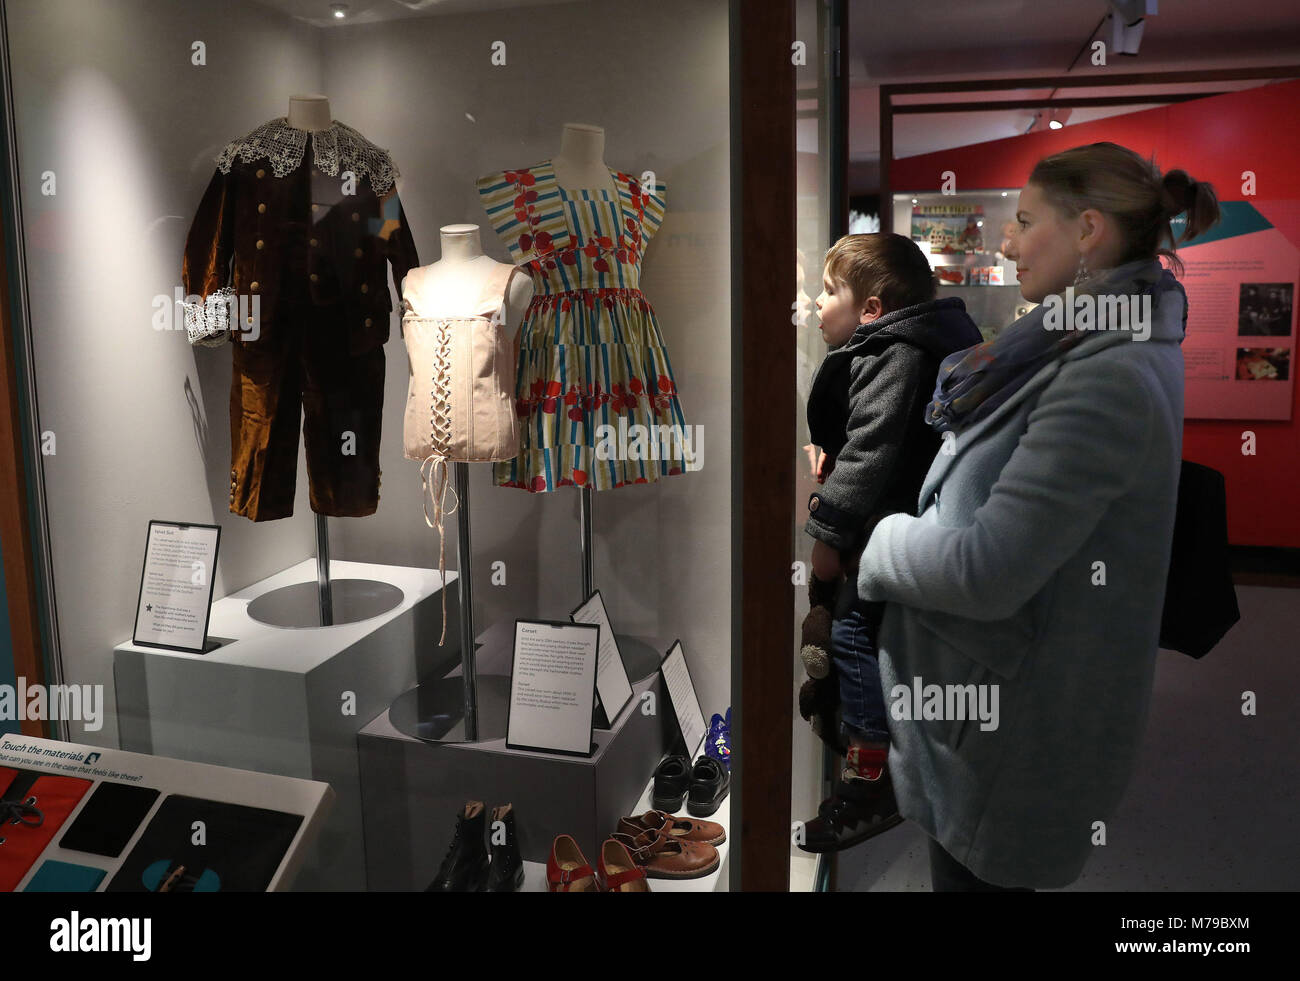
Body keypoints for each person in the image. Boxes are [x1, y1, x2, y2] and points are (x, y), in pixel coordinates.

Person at [856, 142, 1220, 890]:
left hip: (1010, 740)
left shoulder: (1108, 371)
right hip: (985, 721)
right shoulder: (1080, 340)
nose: (1008, 242)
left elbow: (990, 570)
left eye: (1025, 221)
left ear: (1088, 231)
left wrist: (881, 540)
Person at [799, 233, 981, 852]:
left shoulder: (895, 352)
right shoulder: (913, 342)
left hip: (881, 532)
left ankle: (870, 779)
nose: (816, 303)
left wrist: (826, 530)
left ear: (871, 309)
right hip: (891, 525)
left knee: (850, 635)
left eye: (829, 293)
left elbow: (873, 449)